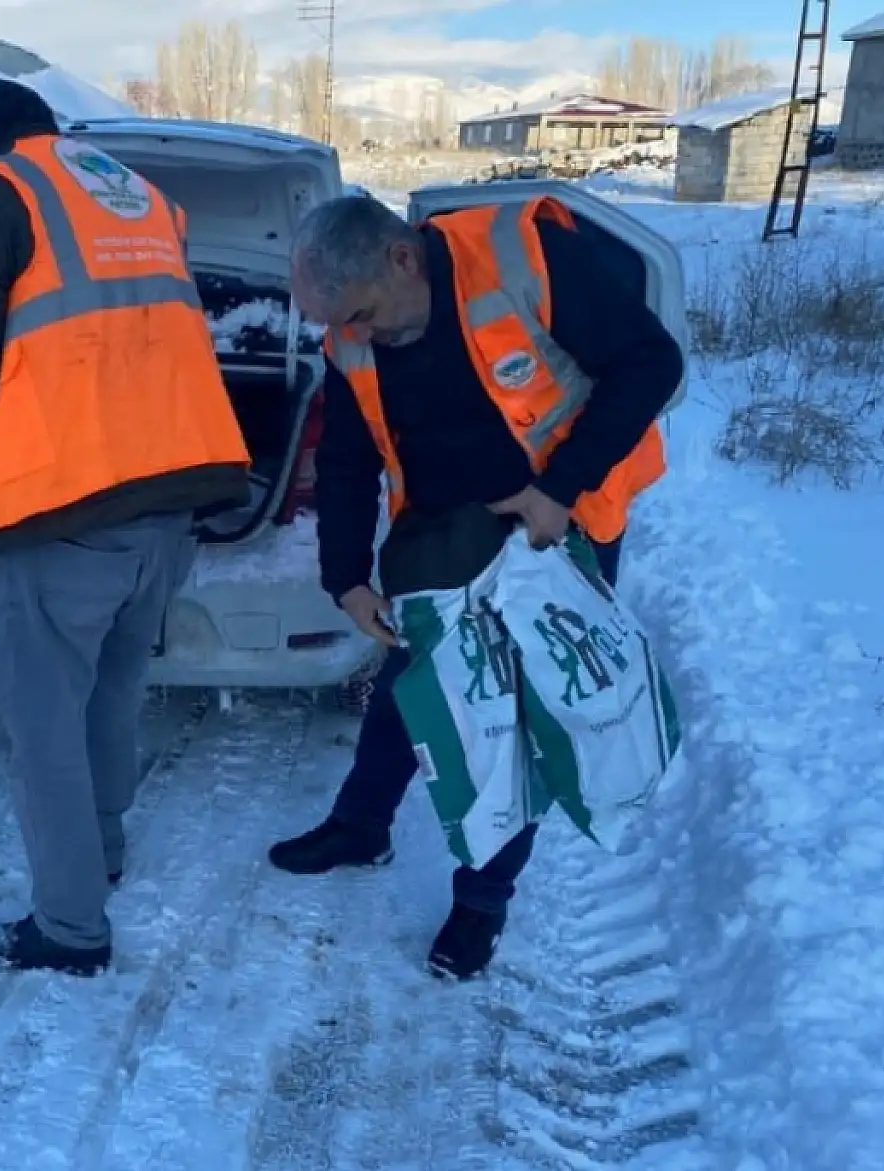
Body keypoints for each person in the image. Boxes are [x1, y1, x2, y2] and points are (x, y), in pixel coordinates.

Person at [270, 193, 683, 979]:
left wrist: (558, 489)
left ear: (400, 258)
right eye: (340, 323)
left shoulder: (523, 260)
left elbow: (651, 363)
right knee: (410, 683)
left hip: (554, 524)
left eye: (360, 314)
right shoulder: (351, 337)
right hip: (442, 535)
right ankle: (362, 825)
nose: (354, 335)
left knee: (515, 727)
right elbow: (351, 460)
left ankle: (481, 904)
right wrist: (347, 577)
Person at [0, 78, 252, 977]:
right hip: (172, 493)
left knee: (33, 718)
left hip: (67, 500)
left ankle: (69, 927)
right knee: (109, 686)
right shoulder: (134, 194)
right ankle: (101, 847)